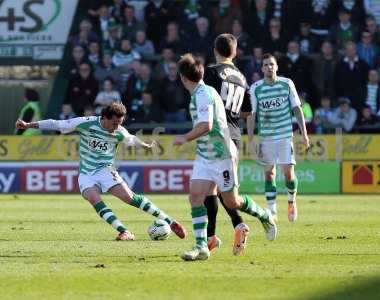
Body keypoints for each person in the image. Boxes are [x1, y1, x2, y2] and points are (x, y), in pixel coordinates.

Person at [15, 103, 187, 241]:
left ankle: (170, 221)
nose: (116, 127)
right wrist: (29, 125)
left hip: (106, 170)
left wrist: (146, 146)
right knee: (93, 197)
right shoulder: (86, 122)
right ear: (104, 118)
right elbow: (56, 124)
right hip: (87, 172)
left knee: (130, 198)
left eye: (119, 123)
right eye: (114, 123)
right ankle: (124, 231)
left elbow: (131, 138)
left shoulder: (118, 131)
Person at [173, 54, 277, 261]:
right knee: (195, 197)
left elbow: (206, 125)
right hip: (205, 155)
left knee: (233, 201)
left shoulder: (203, 94)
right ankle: (201, 247)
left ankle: (265, 216)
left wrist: (183, 138)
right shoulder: (200, 92)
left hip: (222, 155)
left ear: (183, 78)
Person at [202, 34, 252, 255]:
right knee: (217, 188)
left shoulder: (212, 72)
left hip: (216, 134)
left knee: (210, 188)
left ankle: (237, 225)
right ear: (234, 51)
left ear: (215, 50)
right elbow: (247, 111)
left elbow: (206, 102)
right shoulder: (241, 77)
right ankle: (211, 237)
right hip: (235, 135)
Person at [247, 53, 310, 223]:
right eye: (266, 64)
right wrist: (251, 139)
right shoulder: (255, 88)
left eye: (272, 64)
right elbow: (251, 114)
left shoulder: (287, 84)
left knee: (289, 174)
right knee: (269, 173)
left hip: (284, 136)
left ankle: (291, 201)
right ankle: (272, 211)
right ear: (262, 68)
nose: (269, 67)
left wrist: (304, 134)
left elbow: (297, 109)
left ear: (276, 67)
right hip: (266, 137)